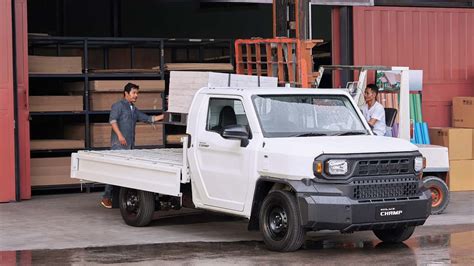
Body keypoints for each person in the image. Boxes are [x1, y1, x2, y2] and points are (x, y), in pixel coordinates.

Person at [101, 82, 164, 208]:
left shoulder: (133, 109)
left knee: (124, 173)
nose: (136, 95)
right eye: (134, 93)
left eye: (137, 93)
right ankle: (106, 197)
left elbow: (148, 119)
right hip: (118, 145)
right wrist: (119, 135)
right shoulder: (118, 106)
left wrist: (164, 116)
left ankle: (118, 199)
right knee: (114, 171)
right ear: (126, 93)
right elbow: (112, 121)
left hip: (129, 146)